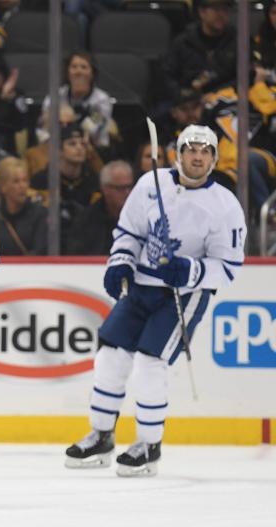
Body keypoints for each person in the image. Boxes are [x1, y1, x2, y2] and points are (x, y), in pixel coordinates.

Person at [65, 125, 245, 477]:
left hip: (183, 295)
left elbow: (228, 267)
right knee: (110, 357)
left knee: (149, 363)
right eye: (191, 149)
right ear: (177, 153)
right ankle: (102, 435)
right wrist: (120, 262)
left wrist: (191, 271)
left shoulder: (225, 206)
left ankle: (149, 444)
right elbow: (130, 232)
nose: (197, 156)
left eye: (205, 151)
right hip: (142, 287)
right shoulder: (151, 184)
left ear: (214, 158)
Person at [40, 51, 116, 152]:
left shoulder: (102, 100)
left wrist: (68, 119)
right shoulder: (55, 96)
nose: (78, 71)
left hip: (94, 149)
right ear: (68, 72)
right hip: (57, 149)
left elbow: (92, 129)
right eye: (74, 67)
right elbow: (43, 128)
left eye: (84, 67)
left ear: (92, 73)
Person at [66, 160, 134, 255]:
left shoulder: (141, 217)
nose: (128, 193)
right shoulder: (86, 221)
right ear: (105, 189)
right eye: (121, 188)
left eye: (129, 187)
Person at [0, 156, 48, 256]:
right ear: (3, 186)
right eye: (16, 181)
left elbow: (40, 251)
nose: (22, 186)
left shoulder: (40, 214)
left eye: (25, 180)